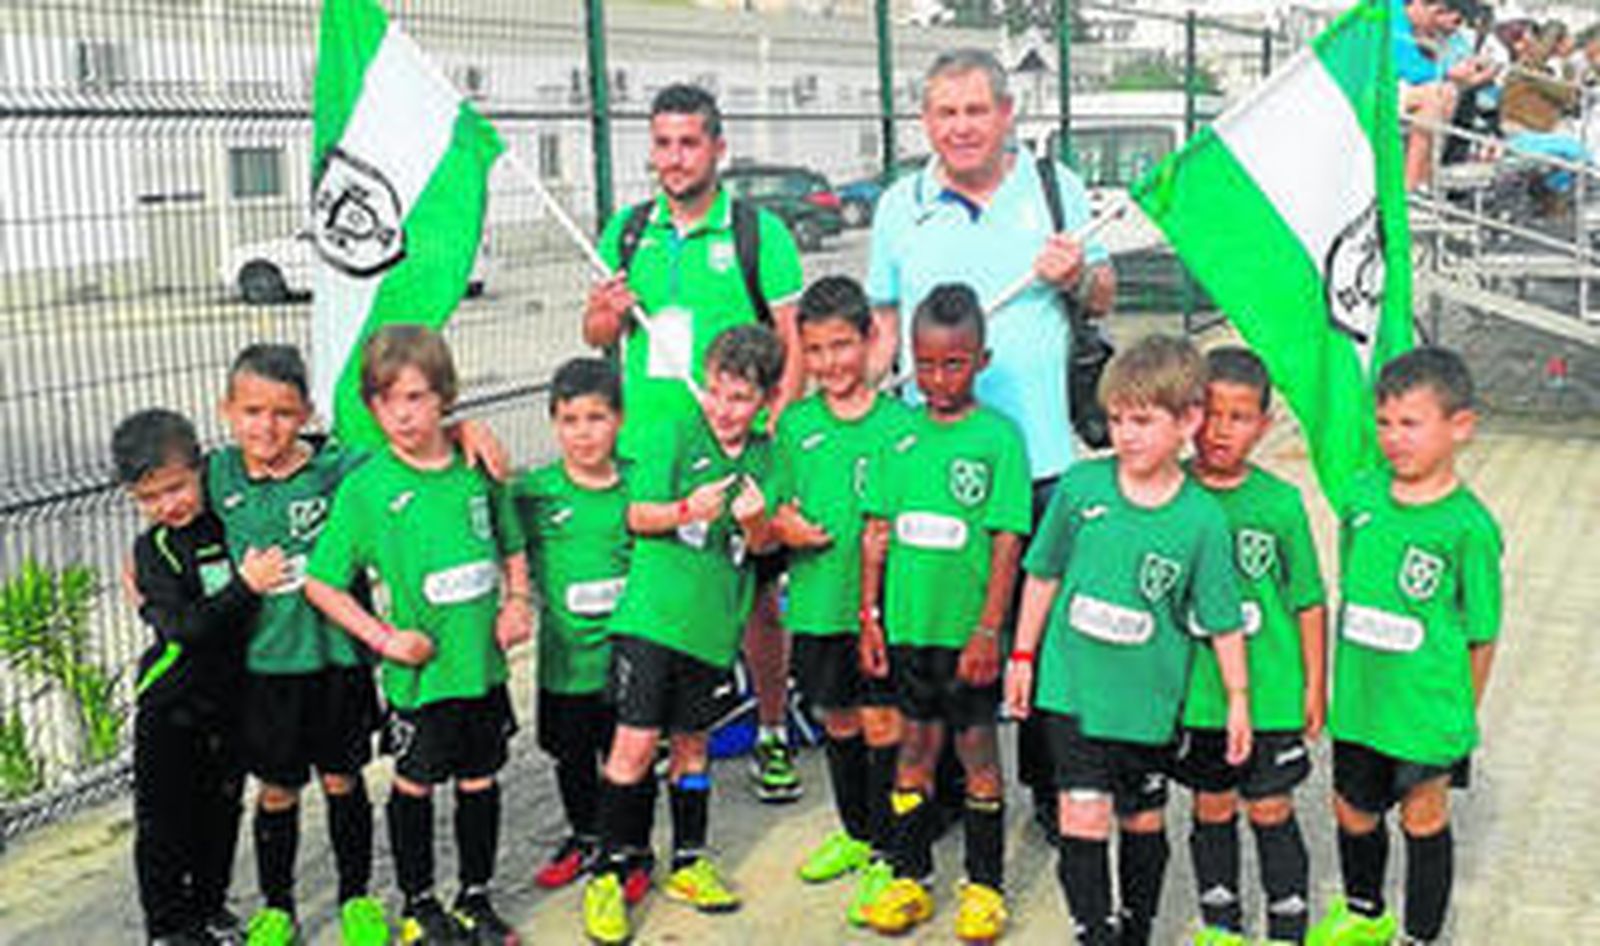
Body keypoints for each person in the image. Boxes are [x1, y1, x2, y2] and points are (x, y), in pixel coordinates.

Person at [865, 47, 1114, 833]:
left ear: (1007, 115)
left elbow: (1103, 295)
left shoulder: (1054, 187)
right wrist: (859, 402)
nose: (962, 127)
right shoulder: (899, 205)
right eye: (946, 112)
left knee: (1033, 639)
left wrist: (1076, 274)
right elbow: (883, 327)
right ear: (925, 122)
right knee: (938, 637)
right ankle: (941, 794)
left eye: (977, 110)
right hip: (932, 469)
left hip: (1039, 460)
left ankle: (1047, 786)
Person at [584, 81, 806, 805]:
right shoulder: (626, 229)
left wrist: (770, 430)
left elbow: (789, 342)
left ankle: (772, 731)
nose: (674, 158)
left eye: (688, 142)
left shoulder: (756, 233)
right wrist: (604, 311)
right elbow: (596, 339)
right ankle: (650, 731)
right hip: (650, 456)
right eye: (662, 143)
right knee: (651, 599)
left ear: (717, 147)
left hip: (735, 448)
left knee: (755, 604)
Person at [1004, 335, 1251, 946]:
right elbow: (1043, 573)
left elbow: (1221, 621)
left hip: (1145, 702)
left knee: (1141, 819)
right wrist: (1023, 655)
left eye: (1142, 420)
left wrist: (1238, 696)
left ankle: (1135, 928)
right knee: (1081, 815)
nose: (1126, 435)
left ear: (1188, 420)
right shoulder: (1081, 491)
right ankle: (1096, 931)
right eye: (1116, 419)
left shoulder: (1201, 520)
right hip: (1071, 691)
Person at [305, 325, 532, 945]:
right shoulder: (368, 490)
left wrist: (517, 601)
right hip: (420, 677)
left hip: (480, 668)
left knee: (481, 779)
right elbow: (322, 584)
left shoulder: (475, 467)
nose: (401, 415)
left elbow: (511, 544)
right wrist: (383, 639)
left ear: (445, 397)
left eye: (415, 398)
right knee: (414, 783)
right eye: (386, 401)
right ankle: (419, 905)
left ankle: (475, 898)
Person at [581, 325, 784, 946]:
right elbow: (637, 516)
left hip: (711, 630)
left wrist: (755, 524)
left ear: (765, 401)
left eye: (740, 399)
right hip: (650, 623)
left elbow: (765, 549)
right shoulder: (674, 430)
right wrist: (685, 511)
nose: (724, 409)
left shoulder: (768, 458)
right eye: (717, 392)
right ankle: (608, 873)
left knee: (692, 747)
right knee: (635, 748)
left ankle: (690, 862)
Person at [1307, 348, 1503, 946]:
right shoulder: (1362, 498)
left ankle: (1420, 935)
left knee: (1423, 818)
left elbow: (1482, 632)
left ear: (1459, 427)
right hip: (1362, 702)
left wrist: (1459, 717)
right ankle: (1365, 916)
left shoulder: (1468, 527)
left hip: (1426, 710)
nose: (1393, 438)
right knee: (1352, 811)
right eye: (1384, 423)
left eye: (1410, 423)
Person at [855, 284, 1030, 941]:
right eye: (924, 363)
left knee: (976, 750)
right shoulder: (899, 438)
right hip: (905, 630)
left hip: (967, 636)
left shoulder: (998, 440)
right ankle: (909, 876)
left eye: (952, 363)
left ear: (980, 359)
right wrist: (870, 617)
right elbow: (876, 533)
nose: (936, 377)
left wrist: (990, 629)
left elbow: (1007, 539)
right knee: (913, 748)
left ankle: (984, 887)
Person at [207, 345, 388, 946]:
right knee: (278, 788)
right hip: (264, 668)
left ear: (306, 412)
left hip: (334, 659)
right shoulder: (218, 475)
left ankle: (357, 899)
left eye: (283, 413)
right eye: (252, 411)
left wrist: (462, 428)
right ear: (227, 411)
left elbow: (413, 459)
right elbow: (166, 505)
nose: (267, 426)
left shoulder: (338, 469)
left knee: (342, 779)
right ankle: (277, 907)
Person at [767, 276, 916, 923]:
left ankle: (889, 853)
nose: (830, 364)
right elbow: (773, 510)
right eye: (816, 350)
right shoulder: (796, 426)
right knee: (838, 719)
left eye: (841, 347)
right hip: (819, 605)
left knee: (885, 722)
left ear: (871, 340)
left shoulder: (902, 426)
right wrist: (783, 527)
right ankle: (857, 836)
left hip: (881, 615)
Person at [1170, 348, 1327, 946]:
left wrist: (1315, 684)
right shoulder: (1170, 489)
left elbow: (1309, 600)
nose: (1220, 430)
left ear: (1264, 424)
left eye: (1238, 417)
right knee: (1212, 807)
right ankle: (1221, 928)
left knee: (1269, 809)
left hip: (1270, 692)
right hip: (1199, 697)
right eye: (1209, 413)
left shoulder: (1280, 504)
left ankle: (1288, 926)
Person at [116, 408, 284, 946]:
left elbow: (298, 447)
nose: (168, 505)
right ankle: (167, 927)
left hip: (233, 701)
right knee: (164, 824)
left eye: (176, 487)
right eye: (149, 498)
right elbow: (185, 628)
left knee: (220, 811)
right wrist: (246, 586)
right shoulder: (152, 549)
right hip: (171, 707)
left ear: (200, 469)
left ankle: (210, 909)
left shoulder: (232, 516)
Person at [516, 358, 639, 893]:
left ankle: (632, 850)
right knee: (571, 756)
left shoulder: (639, 483)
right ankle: (586, 835)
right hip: (565, 661)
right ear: (553, 423)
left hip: (628, 659)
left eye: (596, 418)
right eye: (569, 420)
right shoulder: (534, 492)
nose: (583, 432)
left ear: (619, 420)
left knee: (627, 758)